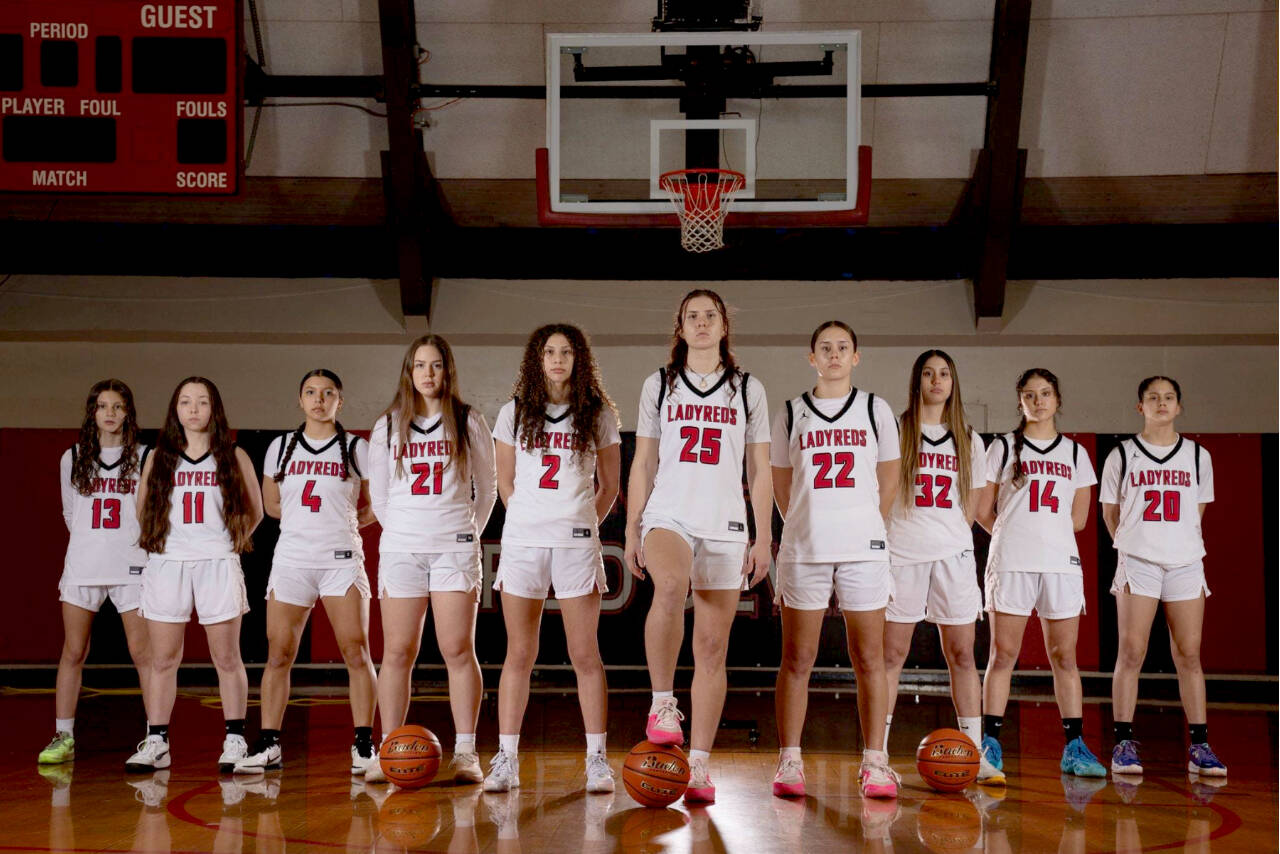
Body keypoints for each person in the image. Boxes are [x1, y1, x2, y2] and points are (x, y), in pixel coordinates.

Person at [624, 288, 772, 804]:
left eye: (711, 315)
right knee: (669, 588)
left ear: (724, 325)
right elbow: (643, 461)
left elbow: (759, 467)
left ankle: (701, 766)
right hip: (670, 514)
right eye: (693, 316)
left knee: (713, 648)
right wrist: (631, 527)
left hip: (727, 523)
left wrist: (764, 536)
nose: (703, 323)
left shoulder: (748, 389)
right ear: (680, 328)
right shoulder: (659, 384)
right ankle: (663, 703)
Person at [484, 324, 621, 794]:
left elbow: (610, 486)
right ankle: (506, 757)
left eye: (566, 352)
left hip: (575, 541)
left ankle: (597, 758)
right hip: (523, 541)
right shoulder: (513, 413)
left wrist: (582, 523)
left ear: (578, 359)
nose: (557, 359)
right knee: (519, 653)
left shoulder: (597, 414)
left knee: (585, 653)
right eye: (549, 352)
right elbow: (505, 483)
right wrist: (528, 519)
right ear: (536, 360)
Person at [770, 321, 902, 800]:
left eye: (842, 347)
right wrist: (805, 524)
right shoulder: (790, 412)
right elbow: (782, 485)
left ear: (856, 356)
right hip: (805, 548)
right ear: (811, 358)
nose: (833, 355)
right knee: (797, 658)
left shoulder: (875, 409)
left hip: (862, 548)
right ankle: (789, 759)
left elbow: (887, 482)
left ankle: (876, 761)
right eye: (824, 348)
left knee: (869, 657)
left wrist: (866, 525)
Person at [365, 335, 497, 785]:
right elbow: (379, 496)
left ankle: (465, 751)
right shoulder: (387, 425)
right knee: (398, 650)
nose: (427, 373)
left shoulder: (468, 420)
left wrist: (465, 534)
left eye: (436, 365)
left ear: (447, 370)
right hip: (402, 547)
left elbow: (489, 488)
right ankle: (389, 747)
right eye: (420, 365)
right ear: (409, 371)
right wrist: (403, 530)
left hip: (453, 546)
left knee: (458, 649)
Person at [234, 370, 379, 776]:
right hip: (293, 559)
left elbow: (375, 504)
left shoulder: (356, 448)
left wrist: (346, 523)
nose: (319, 399)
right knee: (279, 653)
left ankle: (364, 745)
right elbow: (272, 503)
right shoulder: (280, 447)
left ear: (340, 401)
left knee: (356, 651)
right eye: (311, 393)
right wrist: (308, 523)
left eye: (328, 393)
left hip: (340, 560)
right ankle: (269, 744)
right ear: (300, 400)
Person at [974, 368, 1105, 780]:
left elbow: (1080, 518)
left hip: (1059, 563)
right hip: (1012, 561)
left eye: (1045, 393)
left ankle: (1075, 747)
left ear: (1057, 399)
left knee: (1065, 658)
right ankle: (991, 745)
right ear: (1020, 402)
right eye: (1029, 395)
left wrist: (1042, 537)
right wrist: (1012, 537)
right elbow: (982, 510)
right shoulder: (1003, 448)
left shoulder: (1076, 454)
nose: (1038, 401)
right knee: (1003, 655)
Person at [128, 377, 264, 772]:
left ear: (214, 409)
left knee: (226, 656)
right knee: (163, 659)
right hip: (168, 563)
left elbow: (254, 509)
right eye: (185, 402)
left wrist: (226, 540)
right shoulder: (158, 456)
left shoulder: (233, 455)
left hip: (217, 562)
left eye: (202, 402)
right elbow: (142, 509)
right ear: (175, 410)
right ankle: (157, 741)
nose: (193, 409)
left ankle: (235, 739)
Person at [881, 350, 1002, 783]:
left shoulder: (968, 439)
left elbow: (971, 506)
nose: (937, 380)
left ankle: (975, 751)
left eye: (945, 373)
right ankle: (876, 754)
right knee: (890, 655)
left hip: (953, 553)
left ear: (953, 382)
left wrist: (949, 535)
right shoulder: (896, 431)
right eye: (929, 373)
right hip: (903, 551)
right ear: (917, 381)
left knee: (962, 655)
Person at [1102, 376, 1225, 777]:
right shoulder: (1122, 454)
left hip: (1186, 562)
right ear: (1140, 406)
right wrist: (1137, 544)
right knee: (1132, 652)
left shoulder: (1196, 456)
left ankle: (1200, 746)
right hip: (1138, 559)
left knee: (1189, 653)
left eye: (1168, 398)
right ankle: (1123, 741)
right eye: (1152, 398)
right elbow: (1110, 514)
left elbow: (1197, 512)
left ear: (1179, 406)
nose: (1160, 403)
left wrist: (1175, 544)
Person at [39, 380, 152, 766]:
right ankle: (63, 734)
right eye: (102, 406)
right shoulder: (72, 457)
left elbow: (152, 514)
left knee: (143, 654)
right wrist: (94, 546)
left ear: (128, 413)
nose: (110, 413)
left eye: (117, 406)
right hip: (84, 565)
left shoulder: (144, 455)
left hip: (132, 566)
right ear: (92, 412)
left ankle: (156, 737)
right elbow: (71, 514)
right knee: (73, 651)